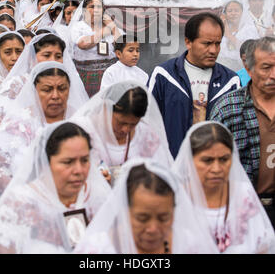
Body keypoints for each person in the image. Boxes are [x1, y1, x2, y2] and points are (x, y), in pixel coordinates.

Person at [0, 62, 83, 219]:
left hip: (71, 208)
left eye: (62, 88)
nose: (55, 95)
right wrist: (25, 196)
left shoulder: (80, 121)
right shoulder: (18, 123)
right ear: (34, 91)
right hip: (24, 207)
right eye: (47, 90)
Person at [0, 121, 110, 254]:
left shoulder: (98, 200)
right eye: (68, 162)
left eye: (85, 160)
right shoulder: (19, 206)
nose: (79, 170)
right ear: (45, 163)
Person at [75, 158, 217, 254]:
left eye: (163, 218)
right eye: (142, 218)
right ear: (124, 211)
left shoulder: (190, 246)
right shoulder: (96, 249)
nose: (153, 229)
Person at [173, 122, 275, 253]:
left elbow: (262, 246)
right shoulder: (175, 199)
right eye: (207, 160)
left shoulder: (243, 195)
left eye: (224, 159)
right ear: (190, 161)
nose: (216, 169)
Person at [148, 13, 240, 158]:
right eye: (207, 43)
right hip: (172, 167)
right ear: (188, 42)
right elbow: (147, 124)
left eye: (217, 44)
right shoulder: (163, 75)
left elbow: (237, 133)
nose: (213, 50)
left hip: (214, 169)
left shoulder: (230, 81)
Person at [208, 37, 275, 229]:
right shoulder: (228, 109)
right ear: (249, 70)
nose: (273, 75)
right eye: (266, 67)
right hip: (242, 210)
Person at [71, 81, 173, 186]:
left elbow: (163, 173)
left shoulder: (147, 136)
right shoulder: (81, 130)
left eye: (133, 124)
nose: (125, 129)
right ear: (106, 108)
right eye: (121, 122)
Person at [69, 0, 122, 97]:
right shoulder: (78, 27)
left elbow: (121, 47)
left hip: (109, 75)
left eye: (99, 7)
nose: (96, 10)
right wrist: (105, 31)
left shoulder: (110, 26)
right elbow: (83, 44)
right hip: (85, 75)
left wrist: (113, 27)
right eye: (92, 7)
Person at [218, 0, 259, 72]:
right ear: (225, 13)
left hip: (242, 67)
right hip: (221, 65)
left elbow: (249, 50)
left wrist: (229, 35)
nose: (233, 13)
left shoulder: (249, 28)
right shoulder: (222, 27)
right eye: (230, 11)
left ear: (242, 12)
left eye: (236, 10)